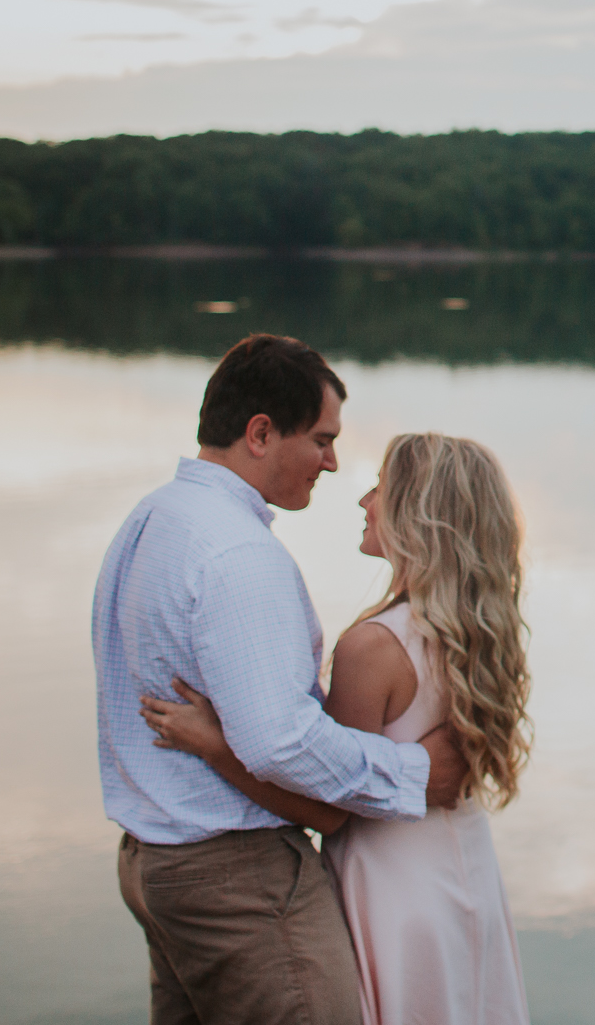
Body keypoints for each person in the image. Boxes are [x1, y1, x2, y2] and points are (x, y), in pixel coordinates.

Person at [93, 334, 467, 1025]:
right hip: (236, 884)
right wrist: (414, 773)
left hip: (155, 864)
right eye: (322, 440)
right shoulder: (238, 553)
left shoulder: (152, 518)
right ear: (260, 433)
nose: (332, 462)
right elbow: (281, 744)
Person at [143, 432, 533, 1025]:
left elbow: (329, 804)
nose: (364, 501)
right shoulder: (478, 634)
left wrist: (215, 745)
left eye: (380, 488)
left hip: (394, 885)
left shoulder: (372, 647)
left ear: (417, 511)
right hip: (466, 870)